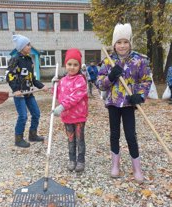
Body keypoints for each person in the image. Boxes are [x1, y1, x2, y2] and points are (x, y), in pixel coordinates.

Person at [96, 23, 152, 183]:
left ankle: (137, 168)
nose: (122, 45)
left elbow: (146, 80)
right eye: (119, 42)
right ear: (114, 44)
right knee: (114, 134)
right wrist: (110, 77)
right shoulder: (108, 61)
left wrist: (140, 96)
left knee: (130, 135)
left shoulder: (139, 60)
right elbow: (100, 83)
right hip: (113, 103)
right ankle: (115, 165)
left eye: (125, 42)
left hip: (128, 104)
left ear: (130, 43)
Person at [6, 34, 48, 148]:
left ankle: (32, 135)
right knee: (23, 116)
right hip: (20, 95)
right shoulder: (15, 60)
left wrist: (42, 86)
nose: (30, 46)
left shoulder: (29, 60)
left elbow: (32, 79)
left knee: (36, 113)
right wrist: (15, 90)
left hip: (29, 93)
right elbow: (9, 76)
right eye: (28, 44)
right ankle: (18, 139)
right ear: (22, 47)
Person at [52, 48, 88, 172]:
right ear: (65, 64)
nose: (72, 67)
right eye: (69, 64)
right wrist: (55, 86)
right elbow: (58, 96)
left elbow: (75, 97)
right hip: (67, 117)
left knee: (79, 139)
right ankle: (72, 159)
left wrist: (61, 107)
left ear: (79, 66)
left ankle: (81, 161)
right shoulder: (62, 81)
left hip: (78, 117)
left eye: (75, 65)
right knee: (70, 139)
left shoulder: (81, 80)